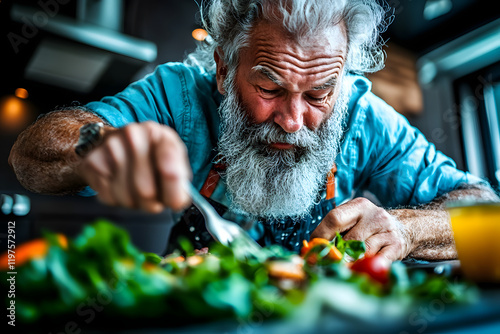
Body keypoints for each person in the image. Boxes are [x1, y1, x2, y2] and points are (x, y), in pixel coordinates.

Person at [8, 0, 498, 260]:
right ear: (224, 68)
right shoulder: (178, 98)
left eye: (317, 94)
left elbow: (490, 223)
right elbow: (30, 158)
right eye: (269, 86)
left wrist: (409, 230)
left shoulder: (365, 119)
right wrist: (102, 146)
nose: (292, 120)